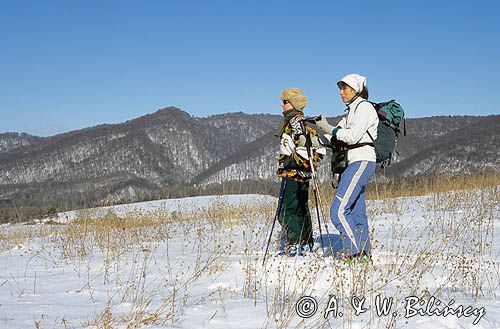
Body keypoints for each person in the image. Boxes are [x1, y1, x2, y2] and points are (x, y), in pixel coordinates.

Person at [315, 74, 379, 262]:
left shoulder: (364, 108)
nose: (341, 93)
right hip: (356, 162)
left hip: (361, 161)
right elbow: (336, 136)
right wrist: (314, 138)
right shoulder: (351, 111)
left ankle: (354, 252)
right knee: (357, 212)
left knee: (338, 211)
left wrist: (329, 128)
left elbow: (351, 136)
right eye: (340, 89)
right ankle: (364, 255)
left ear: (356, 90)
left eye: (345, 88)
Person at [275, 88, 325, 256]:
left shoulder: (293, 124)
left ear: (293, 104)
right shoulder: (307, 124)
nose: (282, 105)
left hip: (291, 174)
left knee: (286, 211)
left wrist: (292, 160)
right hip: (305, 175)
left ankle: (294, 244)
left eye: (285, 102)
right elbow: (318, 150)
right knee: (302, 209)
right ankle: (307, 242)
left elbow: (297, 148)